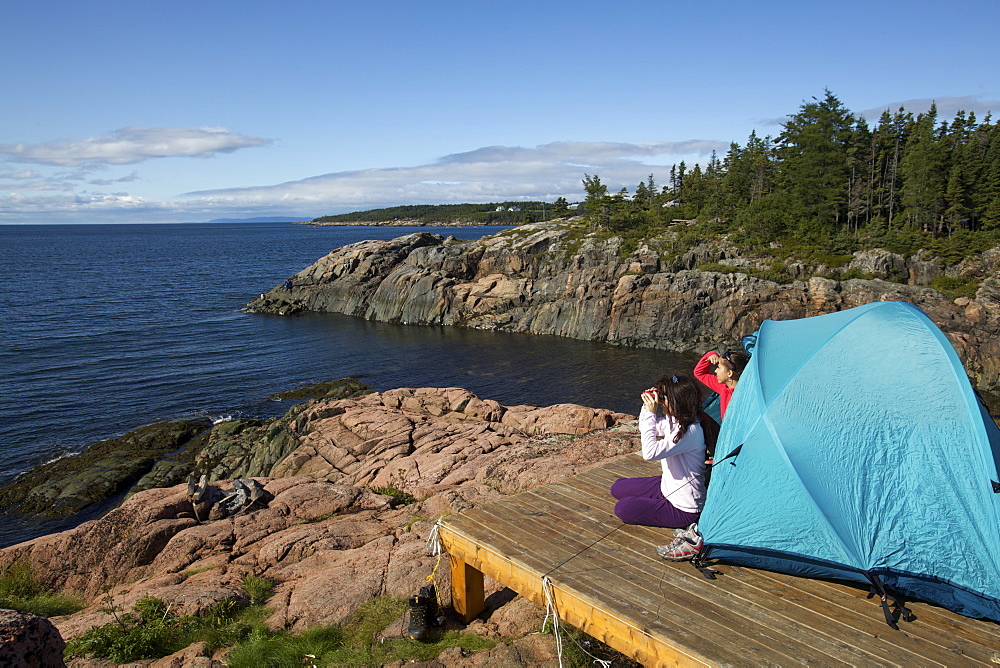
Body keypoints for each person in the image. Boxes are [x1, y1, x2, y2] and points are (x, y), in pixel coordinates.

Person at [610, 374, 709, 531]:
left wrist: (651, 413)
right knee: (617, 487)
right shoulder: (677, 419)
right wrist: (646, 406)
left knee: (623, 508)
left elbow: (649, 453)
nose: (661, 399)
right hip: (666, 486)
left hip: (684, 508)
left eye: (665, 397)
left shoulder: (690, 431)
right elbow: (647, 428)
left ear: (677, 401)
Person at [693, 349, 749, 419]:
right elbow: (699, 373)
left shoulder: (743, 396)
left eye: (719, 368)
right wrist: (711, 355)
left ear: (729, 373)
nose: (715, 370)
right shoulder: (723, 386)